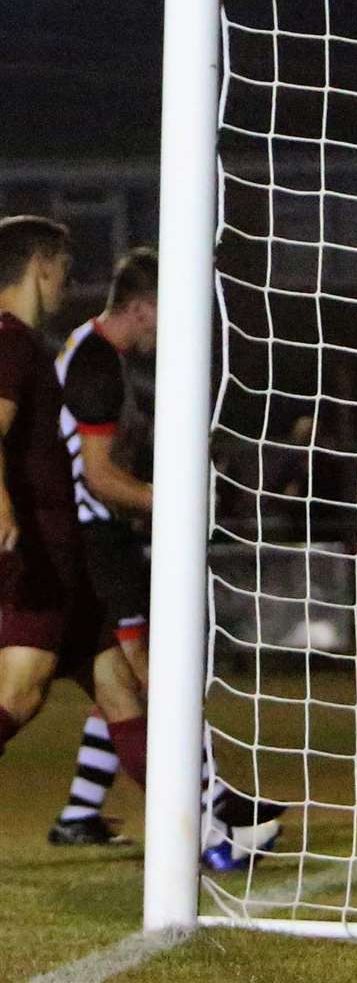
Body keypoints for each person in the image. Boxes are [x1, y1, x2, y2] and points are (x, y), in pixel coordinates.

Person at [44, 247, 284, 868]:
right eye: (167, 313)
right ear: (143, 307)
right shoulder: (96, 364)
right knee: (148, 674)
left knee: (119, 684)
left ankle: (90, 812)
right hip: (94, 543)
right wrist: (168, 501)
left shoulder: (95, 352)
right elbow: (98, 477)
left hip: (94, 540)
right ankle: (210, 807)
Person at [0, 216, 147, 792]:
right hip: (38, 547)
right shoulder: (10, 339)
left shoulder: (25, 343)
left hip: (64, 550)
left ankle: (204, 828)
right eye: (62, 265)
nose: (68, 277)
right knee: (21, 691)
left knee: (120, 689)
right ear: (40, 263)